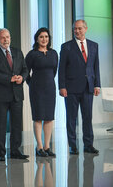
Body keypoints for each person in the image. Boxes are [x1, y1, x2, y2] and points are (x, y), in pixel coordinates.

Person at [58, 19, 101, 155]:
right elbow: (62, 69)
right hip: (71, 89)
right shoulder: (66, 47)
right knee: (71, 118)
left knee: (87, 117)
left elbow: (95, 66)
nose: (77, 31)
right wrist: (62, 86)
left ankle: (88, 144)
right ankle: (72, 146)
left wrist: (97, 85)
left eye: (80, 28)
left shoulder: (94, 45)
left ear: (86, 29)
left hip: (88, 87)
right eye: (75, 29)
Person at [0, 28, 29, 161]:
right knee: (0, 125)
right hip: (0, 94)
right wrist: (9, 79)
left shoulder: (17, 52)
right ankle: (0, 152)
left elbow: (25, 69)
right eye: (2, 37)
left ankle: (16, 151)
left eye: (8, 37)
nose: (6, 40)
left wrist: (22, 77)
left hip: (17, 93)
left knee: (16, 124)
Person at [25, 28, 58, 157]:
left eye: (46, 37)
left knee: (49, 118)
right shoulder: (32, 54)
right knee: (38, 117)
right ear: (37, 39)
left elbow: (54, 70)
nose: (44, 39)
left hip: (50, 88)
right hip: (37, 89)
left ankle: (47, 146)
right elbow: (26, 72)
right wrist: (32, 84)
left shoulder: (54, 53)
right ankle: (39, 147)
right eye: (41, 37)